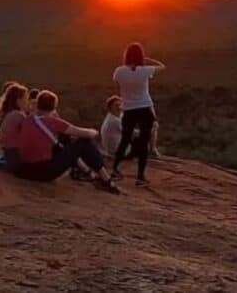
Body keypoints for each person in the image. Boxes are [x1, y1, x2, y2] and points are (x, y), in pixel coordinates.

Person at [10, 90, 120, 194]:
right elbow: (82, 133)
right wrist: (94, 132)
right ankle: (106, 180)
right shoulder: (52, 122)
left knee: (65, 138)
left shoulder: (29, 119)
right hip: (44, 172)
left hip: (25, 170)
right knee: (83, 142)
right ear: (54, 107)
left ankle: (85, 171)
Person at [111, 42, 165, 186]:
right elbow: (162, 66)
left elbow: (116, 82)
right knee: (143, 142)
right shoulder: (145, 70)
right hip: (144, 108)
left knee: (124, 140)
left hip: (128, 109)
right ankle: (140, 177)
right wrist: (147, 60)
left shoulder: (119, 71)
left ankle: (114, 170)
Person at [0, 83, 28, 173]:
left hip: (9, 151)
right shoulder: (18, 115)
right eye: (25, 98)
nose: (27, 101)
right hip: (14, 153)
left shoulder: (10, 113)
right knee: (13, 168)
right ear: (18, 100)